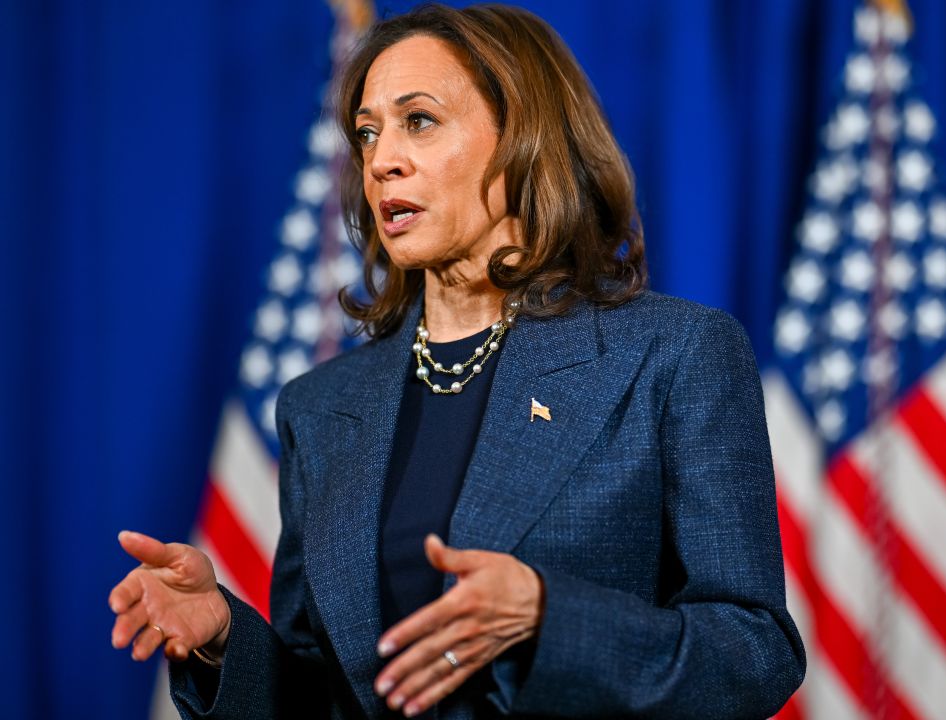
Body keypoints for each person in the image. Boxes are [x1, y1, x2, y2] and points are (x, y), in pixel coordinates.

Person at [107, 4, 805, 718]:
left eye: (420, 121)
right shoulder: (320, 408)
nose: (381, 160)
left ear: (524, 140)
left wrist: (547, 619)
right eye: (368, 132)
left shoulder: (673, 355)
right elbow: (326, 695)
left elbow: (752, 653)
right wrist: (225, 641)